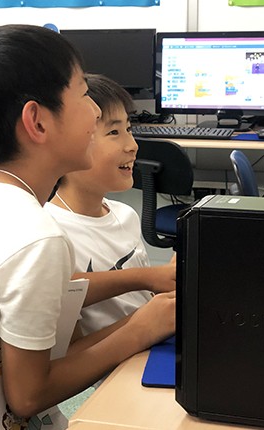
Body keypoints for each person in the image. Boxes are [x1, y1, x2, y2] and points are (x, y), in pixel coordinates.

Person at [0, 25, 175, 430]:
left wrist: (143, 318)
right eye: (83, 95)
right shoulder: (35, 234)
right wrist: (141, 329)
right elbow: (28, 396)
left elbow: (56, 302)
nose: (95, 112)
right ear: (37, 122)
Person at [45, 73, 176, 338]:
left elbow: (142, 300)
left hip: (153, 342)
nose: (133, 146)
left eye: (129, 129)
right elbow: (68, 349)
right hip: (120, 357)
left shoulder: (125, 215)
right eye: (113, 132)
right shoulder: (52, 235)